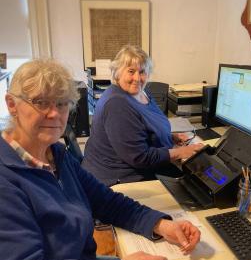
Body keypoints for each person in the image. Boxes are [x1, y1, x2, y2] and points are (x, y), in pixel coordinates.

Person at [0, 59, 201, 260]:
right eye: (41, 102)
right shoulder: (6, 180)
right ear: (12, 104)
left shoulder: (56, 155)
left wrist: (161, 225)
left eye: (62, 103)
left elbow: (107, 202)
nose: (54, 114)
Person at [82, 45, 203, 186]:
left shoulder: (141, 92)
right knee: (194, 184)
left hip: (136, 167)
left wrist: (169, 137)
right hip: (119, 178)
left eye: (142, 72)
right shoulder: (117, 104)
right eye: (131, 71)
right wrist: (181, 152)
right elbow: (139, 157)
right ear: (117, 73)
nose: (137, 78)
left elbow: (140, 130)